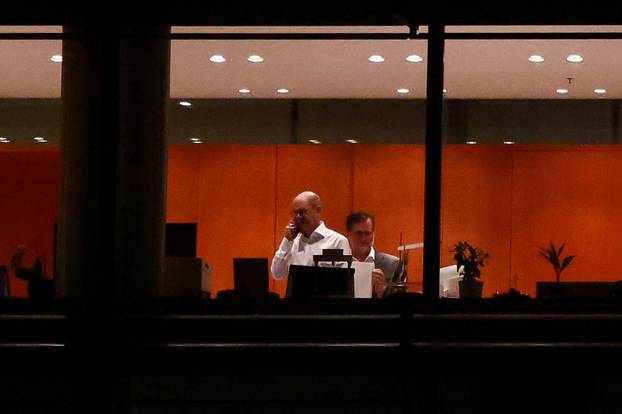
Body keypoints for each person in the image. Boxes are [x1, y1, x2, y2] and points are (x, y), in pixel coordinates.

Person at [271, 191, 351, 280]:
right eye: (295, 213)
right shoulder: (292, 242)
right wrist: (287, 240)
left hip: (324, 293)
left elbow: (343, 281)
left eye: (301, 212)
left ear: (318, 210)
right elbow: (277, 274)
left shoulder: (337, 241)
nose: (298, 217)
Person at [346, 211, 400, 298]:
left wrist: (383, 291)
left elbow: (402, 304)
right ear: (348, 235)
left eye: (367, 233)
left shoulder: (394, 265)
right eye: (359, 233)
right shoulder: (339, 264)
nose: (363, 238)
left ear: (373, 234)